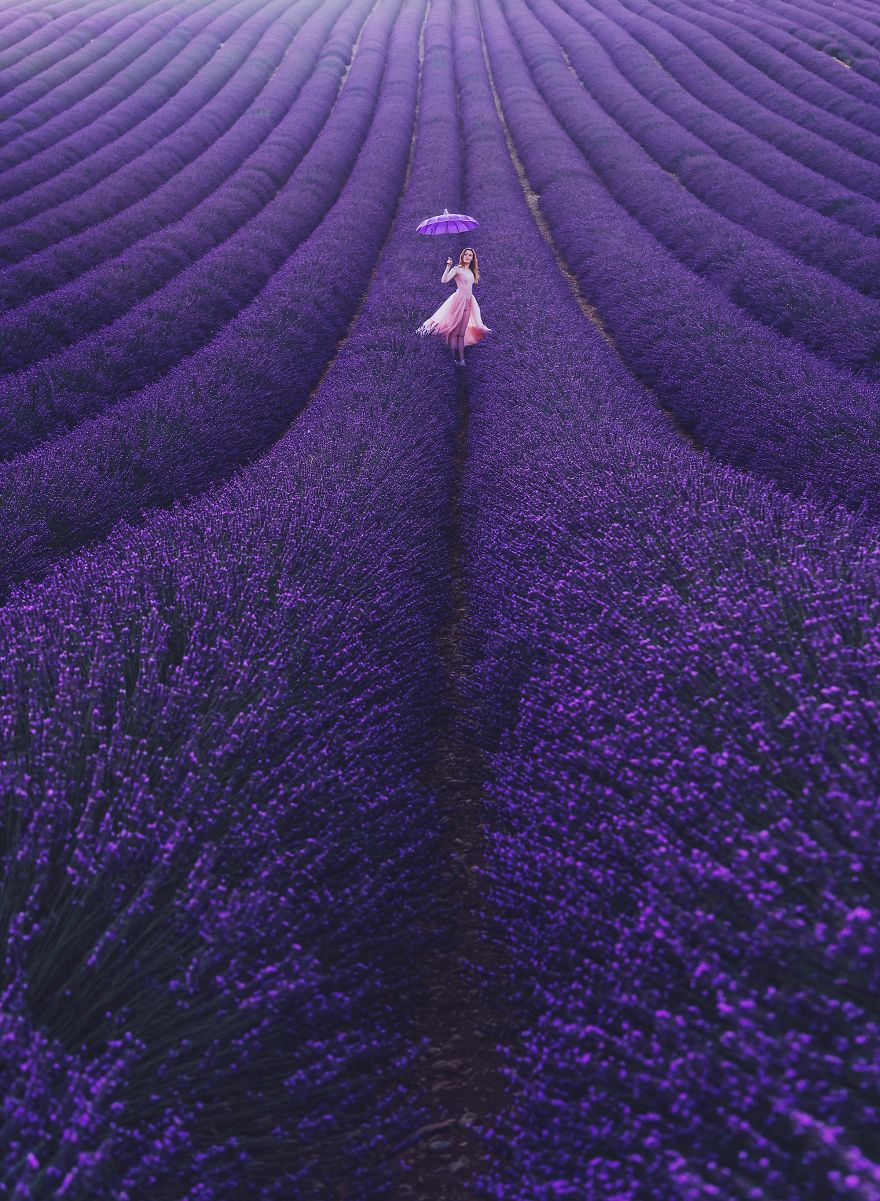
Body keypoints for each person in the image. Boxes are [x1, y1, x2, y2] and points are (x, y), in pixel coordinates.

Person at [415, 247, 490, 366]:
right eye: (465, 254)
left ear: (473, 258)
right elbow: (444, 280)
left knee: (461, 333)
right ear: (462, 256)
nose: (467, 257)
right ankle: (452, 359)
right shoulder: (457, 269)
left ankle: (461, 360)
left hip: (469, 301)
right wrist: (448, 266)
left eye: (470, 255)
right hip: (459, 300)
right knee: (454, 331)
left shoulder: (471, 271)